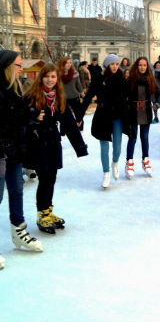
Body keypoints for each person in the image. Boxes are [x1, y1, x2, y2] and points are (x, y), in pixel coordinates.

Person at [23, 64, 88, 234]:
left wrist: (80, 147)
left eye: (53, 77)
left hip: (53, 142)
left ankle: (48, 211)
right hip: (38, 143)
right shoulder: (32, 96)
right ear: (41, 77)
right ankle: (42, 214)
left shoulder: (59, 98)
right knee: (44, 179)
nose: (50, 80)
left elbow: (70, 124)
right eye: (47, 76)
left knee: (51, 178)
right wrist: (33, 118)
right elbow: (20, 118)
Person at [0, 50, 43, 267]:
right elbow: (7, 119)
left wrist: (32, 114)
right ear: (8, 67)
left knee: (16, 191)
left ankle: (19, 233)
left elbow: (17, 117)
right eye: (18, 65)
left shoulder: (16, 88)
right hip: (0, 151)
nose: (21, 69)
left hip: (14, 150)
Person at [91, 54, 128, 189]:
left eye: (117, 64)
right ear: (107, 65)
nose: (115, 66)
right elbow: (90, 93)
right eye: (112, 64)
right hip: (103, 116)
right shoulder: (100, 78)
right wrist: (78, 115)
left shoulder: (121, 79)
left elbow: (128, 94)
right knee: (104, 146)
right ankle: (106, 173)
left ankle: (115, 163)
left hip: (117, 116)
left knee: (117, 146)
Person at [124, 57, 156, 179]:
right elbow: (124, 94)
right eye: (140, 65)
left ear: (147, 66)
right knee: (132, 137)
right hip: (133, 111)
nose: (142, 67)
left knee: (144, 137)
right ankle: (129, 162)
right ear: (136, 66)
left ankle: (145, 160)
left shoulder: (150, 79)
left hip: (145, 111)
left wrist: (157, 103)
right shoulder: (131, 79)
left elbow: (159, 91)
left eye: (144, 65)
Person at [57, 57, 84, 128]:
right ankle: (63, 130)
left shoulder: (75, 73)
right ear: (62, 64)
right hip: (63, 97)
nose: (69, 64)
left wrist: (81, 92)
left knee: (78, 113)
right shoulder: (58, 74)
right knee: (63, 115)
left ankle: (80, 128)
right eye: (66, 63)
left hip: (74, 96)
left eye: (70, 62)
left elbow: (78, 84)